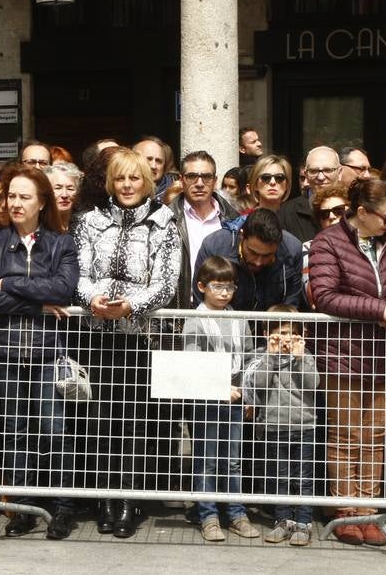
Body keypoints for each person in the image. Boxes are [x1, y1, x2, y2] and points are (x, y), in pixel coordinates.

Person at [73, 146, 180, 538]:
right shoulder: (89, 221)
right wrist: (92, 300)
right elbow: (81, 274)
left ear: (147, 181)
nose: (128, 185)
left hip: (140, 339)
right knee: (101, 421)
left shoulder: (164, 222)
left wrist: (130, 306)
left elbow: (166, 284)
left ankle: (129, 500)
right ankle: (106, 499)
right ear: (109, 183)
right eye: (120, 178)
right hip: (98, 335)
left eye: (135, 177)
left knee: (135, 422)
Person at [0, 165, 79, 539]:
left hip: (48, 353)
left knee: (54, 431)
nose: (15, 203)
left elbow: (64, 290)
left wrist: (11, 283)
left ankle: (62, 506)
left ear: (42, 201)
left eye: (24, 197)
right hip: (5, 352)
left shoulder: (61, 243)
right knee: (14, 432)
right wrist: (36, 302)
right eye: (10, 196)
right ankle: (21, 507)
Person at [308, 177, 386, 546]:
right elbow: (326, 296)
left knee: (375, 436)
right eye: (385, 216)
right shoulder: (328, 241)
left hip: (382, 354)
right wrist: (381, 309)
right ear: (361, 212)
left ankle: (369, 509)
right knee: (345, 435)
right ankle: (345, 510)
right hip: (343, 354)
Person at [183, 255, 260, 542]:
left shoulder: (239, 319)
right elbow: (193, 361)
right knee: (206, 458)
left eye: (230, 287)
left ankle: (237, 513)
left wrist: (248, 394)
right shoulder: (195, 319)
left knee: (233, 459)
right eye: (218, 287)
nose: (225, 293)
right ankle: (208, 515)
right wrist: (217, 386)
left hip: (236, 398)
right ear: (202, 286)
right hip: (206, 400)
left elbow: (251, 358)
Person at [245, 305, 320, 546]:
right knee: (279, 476)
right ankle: (282, 520)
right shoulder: (262, 355)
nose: (284, 338)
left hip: (304, 426)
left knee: (304, 477)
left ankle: (304, 522)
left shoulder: (305, 355)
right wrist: (270, 355)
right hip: (273, 426)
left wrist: (299, 358)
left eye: (289, 332)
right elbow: (258, 384)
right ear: (267, 333)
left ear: (299, 334)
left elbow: (313, 385)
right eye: (278, 332)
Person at [192, 206, 302, 311]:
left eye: (267, 255)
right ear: (242, 236)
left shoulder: (292, 250)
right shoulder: (214, 246)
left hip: (272, 328)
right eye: (253, 252)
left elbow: (290, 306)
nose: (258, 262)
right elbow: (201, 302)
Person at [169, 150, 238, 305]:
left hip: (224, 311)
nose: (199, 183)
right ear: (181, 180)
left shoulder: (233, 219)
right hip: (181, 311)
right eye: (192, 176)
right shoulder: (166, 219)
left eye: (206, 177)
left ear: (215, 181)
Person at [279, 147, 341, 243]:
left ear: (340, 173)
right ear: (306, 174)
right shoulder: (286, 213)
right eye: (314, 171)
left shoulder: (353, 210)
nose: (320, 177)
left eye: (328, 170)